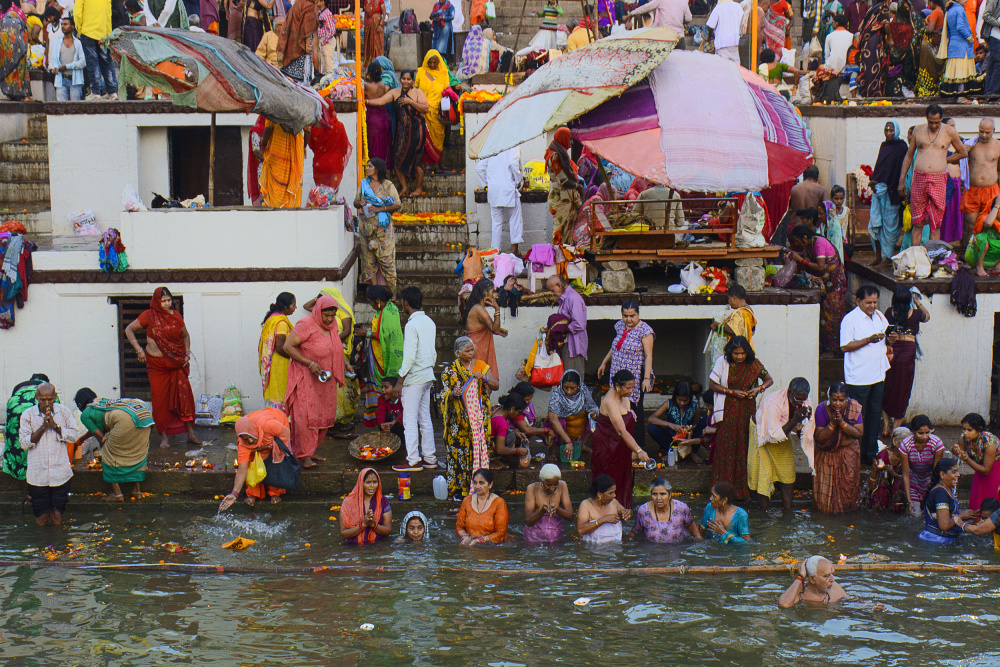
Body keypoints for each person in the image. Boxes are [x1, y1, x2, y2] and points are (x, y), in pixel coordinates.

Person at [125, 287, 199, 449]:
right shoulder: (149, 315)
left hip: (176, 364)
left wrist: (186, 354)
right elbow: (129, 329)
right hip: (157, 366)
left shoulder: (176, 316)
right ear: (156, 301)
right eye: (163, 301)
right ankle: (164, 437)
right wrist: (139, 349)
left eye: (169, 300)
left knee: (184, 398)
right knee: (160, 401)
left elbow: (185, 336)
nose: (166, 304)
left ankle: (190, 434)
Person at [283, 295, 345, 468]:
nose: (330, 319)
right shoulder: (306, 324)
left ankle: (311, 449)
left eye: (333, 316)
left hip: (324, 382)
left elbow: (335, 349)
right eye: (326, 315)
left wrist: (344, 364)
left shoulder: (332, 327)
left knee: (322, 416)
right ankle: (303, 454)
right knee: (305, 417)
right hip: (305, 378)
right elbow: (287, 347)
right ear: (318, 311)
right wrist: (309, 363)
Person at [709, 336, 772, 499]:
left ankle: (744, 490)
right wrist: (731, 392)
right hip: (728, 408)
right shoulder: (722, 362)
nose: (739, 357)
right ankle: (722, 490)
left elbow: (768, 379)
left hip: (747, 408)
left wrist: (759, 389)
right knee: (726, 445)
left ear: (747, 352)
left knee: (745, 444)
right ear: (730, 352)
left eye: (742, 353)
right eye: (736, 353)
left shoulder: (754, 363)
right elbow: (712, 384)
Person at [898, 104, 968, 246]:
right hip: (919, 179)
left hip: (939, 179)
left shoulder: (949, 132)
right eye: (931, 122)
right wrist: (901, 180)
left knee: (936, 223)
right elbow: (908, 156)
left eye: (937, 122)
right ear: (926, 119)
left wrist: (943, 160)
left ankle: (932, 261)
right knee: (917, 222)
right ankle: (916, 260)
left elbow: (963, 152)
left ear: (941, 119)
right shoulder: (918, 130)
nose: (934, 125)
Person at [439, 336, 498, 499]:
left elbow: (495, 384)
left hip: (478, 419)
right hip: (458, 422)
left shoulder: (481, 365)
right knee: (458, 453)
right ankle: (459, 489)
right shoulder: (450, 370)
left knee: (477, 451)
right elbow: (443, 394)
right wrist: (452, 394)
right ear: (458, 353)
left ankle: (480, 487)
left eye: (472, 350)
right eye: (467, 351)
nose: (471, 353)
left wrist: (483, 377)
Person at [840, 285, 892, 466]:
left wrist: (889, 340)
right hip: (858, 377)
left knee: (873, 415)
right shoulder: (850, 319)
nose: (872, 306)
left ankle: (869, 453)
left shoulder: (879, 316)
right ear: (858, 301)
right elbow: (844, 346)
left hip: (878, 375)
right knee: (855, 418)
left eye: (875, 302)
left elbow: (885, 334)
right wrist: (868, 340)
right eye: (869, 302)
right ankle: (852, 453)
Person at [74, 389, 153, 502]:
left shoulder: (86, 413)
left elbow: (101, 438)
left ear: (79, 404)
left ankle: (117, 494)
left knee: (106, 452)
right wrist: (80, 440)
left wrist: (105, 451)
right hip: (144, 415)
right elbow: (93, 430)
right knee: (136, 452)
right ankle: (137, 491)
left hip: (124, 419)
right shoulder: (102, 402)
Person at [18, 383, 80, 526]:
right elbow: (23, 443)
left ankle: (58, 545)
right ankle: (42, 545)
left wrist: (55, 426)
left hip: (61, 474)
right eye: (42, 399)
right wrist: (44, 427)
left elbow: (75, 436)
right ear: (36, 398)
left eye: (50, 399)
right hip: (37, 476)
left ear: (55, 397)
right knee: (42, 516)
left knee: (57, 515)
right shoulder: (28, 415)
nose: (47, 403)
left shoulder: (63, 412)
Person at [391, 286, 438, 473]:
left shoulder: (411, 325)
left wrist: (400, 381)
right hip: (427, 375)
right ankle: (430, 458)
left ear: (406, 303)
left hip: (415, 378)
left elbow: (409, 356)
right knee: (424, 417)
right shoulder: (429, 322)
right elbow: (432, 353)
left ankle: (412, 460)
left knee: (410, 419)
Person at [596, 300, 654, 450]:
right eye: (625, 316)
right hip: (617, 374)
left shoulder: (645, 331)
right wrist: (604, 362)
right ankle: (617, 443)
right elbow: (614, 346)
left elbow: (648, 356)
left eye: (632, 316)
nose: (629, 319)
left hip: (634, 376)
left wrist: (646, 378)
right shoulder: (619, 325)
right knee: (616, 407)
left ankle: (637, 448)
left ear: (638, 314)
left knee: (634, 411)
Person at [749, 377, 814, 511]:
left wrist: (804, 419)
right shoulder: (774, 403)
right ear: (789, 393)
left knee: (787, 473)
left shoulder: (805, 402)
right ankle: (764, 513)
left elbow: (803, 429)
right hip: (762, 434)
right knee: (764, 473)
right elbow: (772, 435)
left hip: (783, 435)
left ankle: (788, 512)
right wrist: (795, 418)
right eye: (798, 399)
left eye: (804, 398)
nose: (802, 401)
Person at [591, 369, 651, 511]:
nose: (631, 391)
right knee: (609, 482)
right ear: (617, 386)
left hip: (621, 447)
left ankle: (622, 511)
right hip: (607, 446)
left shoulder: (624, 398)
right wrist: (638, 450)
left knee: (623, 478)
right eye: (628, 388)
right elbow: (621, 430)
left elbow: (626, 423)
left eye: (632, 387)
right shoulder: (610, 402)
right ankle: (604, 512)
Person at [366, 70, 430, 196]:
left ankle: (418, 188)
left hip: (417, 130)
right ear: (400, 80)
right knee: (396, 160)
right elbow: (380, 101)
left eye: (408, 79)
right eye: (403, 79)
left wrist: (410, 102)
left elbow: (426, 108)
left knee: (418, 159)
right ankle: (404, 187)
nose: (406, 81)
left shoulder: (417, 92)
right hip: (402, 132)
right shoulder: (395, 93)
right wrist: (365, 102)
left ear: (412, 80)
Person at [787, 224, 848, 353]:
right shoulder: (809, 244)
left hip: (835, 284)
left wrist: (801, 260)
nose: (797, 243)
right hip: (827, 284)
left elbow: (820, 267)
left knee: (832, 317)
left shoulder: (819, 243)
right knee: (824, 317)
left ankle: (834, 350)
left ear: (804, 237)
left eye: (798, 241)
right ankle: (826, 347)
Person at [218, 407, 292, 509]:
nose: (250, 442)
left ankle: (275, 493)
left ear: (254, 431)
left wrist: (271, 446)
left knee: (275, 460)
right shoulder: (243, 444)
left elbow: (286, 433)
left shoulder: (268, 425)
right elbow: (242, 469)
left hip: (277, 423)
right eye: (245, 439)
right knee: (251, 463)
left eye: (250, 437)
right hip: (262, 433)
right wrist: (234, 494)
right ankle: (253, 493)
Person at [810, 381, 863, 513]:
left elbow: (858, 434)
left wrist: (842, 424)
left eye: (842, 400)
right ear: (829, 398)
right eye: (834, 400)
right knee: (825, 497)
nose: (837, 404)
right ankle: (825, 519)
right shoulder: (822, 409)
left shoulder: (854, 407)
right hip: (827, 454)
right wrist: (833, 424)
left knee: (848, 489)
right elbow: (819, 438)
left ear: (847, 399)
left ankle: (847, 516)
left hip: (848, 452)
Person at [882, 286, 929, 428]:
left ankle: (885, 426)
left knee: (888, 387)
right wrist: (917, 301)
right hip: (908, 351)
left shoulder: (889, 312)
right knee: (903, 389)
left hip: (892, 351)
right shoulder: (915, 314)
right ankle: (896, 427)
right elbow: (927, 316)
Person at [355, 159, 402, 294]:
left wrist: (379, 209)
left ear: (377, 169)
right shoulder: (364, 184)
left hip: (383, 230)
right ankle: (375, 292)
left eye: (370, 166)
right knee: (368, 261)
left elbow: (397, 204)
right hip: (366, 229)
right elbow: (355, 202)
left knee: (386, 260)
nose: (367, 168)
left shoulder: (387, 185)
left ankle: (392, 293)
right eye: (367, 166)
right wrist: (360, 202)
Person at [360, 285, 402, 427]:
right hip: (378, 354)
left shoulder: (388, 313)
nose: (370, 305)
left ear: (378, 300)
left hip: (386, 359)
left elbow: (385, 337)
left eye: (371, 302)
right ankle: (381, 421)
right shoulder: (387, 309)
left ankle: (386, 422)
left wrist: (365, 333)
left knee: (384, 390)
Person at [868, 121, 908, 267]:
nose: (889, 133)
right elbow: (880, 166)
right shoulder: (884, 146)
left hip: (893, 192)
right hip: (879, 191)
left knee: (890, 228)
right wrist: (874, 181)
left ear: (896, 131)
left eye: (891, 130)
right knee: (875, 223)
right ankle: (878, 256)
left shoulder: (902, 147)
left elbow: (900, 169)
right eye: (886, 130)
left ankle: (888, 258)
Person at [3, 373, 50, 481]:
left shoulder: (20, 386)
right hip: (36, 408)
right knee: (40, 440)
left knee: (17, 440)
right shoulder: (47, 388)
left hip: (16, 408)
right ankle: (37, 480)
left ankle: (20, 472)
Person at [476, 147, 524, 255]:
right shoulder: (513, 145)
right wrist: (517, 181)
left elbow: (479, 168)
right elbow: (513, 163)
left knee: (496, 223)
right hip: (509, 187)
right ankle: (514, 249)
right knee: (515, 218)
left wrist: (486, 184)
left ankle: (495, 251)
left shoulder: (491, 145)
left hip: (494, 190)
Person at [961, 119, 1000, 243]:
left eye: (987, 132)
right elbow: (955, 160)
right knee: (971, 224)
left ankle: (989, 257)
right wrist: (962, 151)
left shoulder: (998, 145)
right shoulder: (970, 144)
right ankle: (969, 257)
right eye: (981, 131)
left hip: (991, 190)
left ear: (993, 131)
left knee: (992, 223)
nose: (983, 135)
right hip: (973, 189)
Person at [546, 370, 598, 463]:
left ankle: (582, 445)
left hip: (579, 424)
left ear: (578, 386)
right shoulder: (557, 394)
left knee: (592, 421)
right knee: (557, 422)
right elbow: (553, 419)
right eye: (566, 387)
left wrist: (593, 413)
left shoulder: (583, 390)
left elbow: (592, 407)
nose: (569, 391)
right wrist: (568, 441)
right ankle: (553, 450)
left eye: (572, 388)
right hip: (564, 425)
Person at [952, 412, 1000, 510]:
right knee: (976, 499)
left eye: (969, 430)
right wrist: (954, 450)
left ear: (979, 430)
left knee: (991, 499)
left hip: (994, 469)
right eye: (964, 429)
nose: (965, 433)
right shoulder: (964, 438)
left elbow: (986, 470)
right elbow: (959, 454)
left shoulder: (989, 442)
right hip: (979, 467)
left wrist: (967, 459)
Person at [900, 414, 945, 516]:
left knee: (930, 515)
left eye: (927, 433)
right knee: (915, 516)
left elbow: (936, 472)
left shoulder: (936, 443)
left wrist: (931, 494)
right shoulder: (906, 445)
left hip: (930, 480)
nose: (925, 436)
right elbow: (906, 474)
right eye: (920, 433)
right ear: (913, 432)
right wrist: (909, 500)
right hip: (913, 481)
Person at [463, 278, 506, 383]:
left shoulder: (475, 307)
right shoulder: (479, 309)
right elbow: (494, 329)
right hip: (478, 349)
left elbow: (491, 328)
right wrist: (497, 309)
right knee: (480, 383)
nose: (493, 295)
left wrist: (498, 330)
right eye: (492, 292)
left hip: (476, 347)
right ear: (486, 293)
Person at [258, 292, 296, 411]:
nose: (295, 308)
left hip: (272, 364)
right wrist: (296, 357)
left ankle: (274, 421)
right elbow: (281, 347)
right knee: (280, 393)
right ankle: (281, 423)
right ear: (286, 307)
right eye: (293, 305)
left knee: (274, 392)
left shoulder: (271, 319)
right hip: (280, 365)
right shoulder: (281, 323)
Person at [631, 478, 701, 543]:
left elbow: (693, 527)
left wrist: (701, 542)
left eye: (663, 494)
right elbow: (635, 532)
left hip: (678, 549)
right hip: (652, 551)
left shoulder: (681, 508)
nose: (658, 498)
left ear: (670, 495)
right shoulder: (643, 511)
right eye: (655, 494)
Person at [546, 127, 583, 246]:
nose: (571, 143)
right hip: (560, 198)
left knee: (567, 231)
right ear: (563, 139)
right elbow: (563, 180)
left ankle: (565, 258)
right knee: (560, 230)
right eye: (569, 139)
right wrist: (577, 187)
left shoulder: (562, 154)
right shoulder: (555, 156)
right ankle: (557, 259)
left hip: (566, 198)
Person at [414, 50, 451, 166]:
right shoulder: (421, 72)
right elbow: (415, 89)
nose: (432, 65)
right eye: (430, 62)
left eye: (435, 63)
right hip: (422, 110)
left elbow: (447, 90)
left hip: (437, 112)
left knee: (439, 137)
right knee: (424, 138)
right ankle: (426, 164)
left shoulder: (444, 74)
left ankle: (438, 163)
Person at [546, 274, 588, 377]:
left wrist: (561, 329)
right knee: (565, 380)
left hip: (573, 347)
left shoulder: (573, 298)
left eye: (553, 290)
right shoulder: (564, 298)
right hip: (566, 345)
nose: (552, 294)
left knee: (573, 381)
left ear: (559, 285)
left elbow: (579, 324)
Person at [647, 381, 700, 461]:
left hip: (688, 438)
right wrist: (670, 425)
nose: (682, 403)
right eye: (679, 400)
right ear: (675, 397)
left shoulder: (695, 406)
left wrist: (692, 428)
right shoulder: (669, 403)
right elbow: (651, 418)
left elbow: (696, 423)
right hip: (672, 436)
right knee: (652, 428)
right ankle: (671, 451)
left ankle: (692, 452)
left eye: (685, 400)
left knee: (702, 426)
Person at [260, 120, 308, 208]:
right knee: (294, 179)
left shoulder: (274, 106)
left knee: (275, 185)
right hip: (295, 152)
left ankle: (276, 215)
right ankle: (292, 213)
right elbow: (308, 130)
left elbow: (269, 128)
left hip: (277, 150)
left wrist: (263, 146)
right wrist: (304, 146)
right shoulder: (300, 106)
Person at [919, 457, 967, 542]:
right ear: (942, 475)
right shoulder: (940, 493)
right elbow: (944, 525)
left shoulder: (946, 489)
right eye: (954, 472)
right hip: (936, 541)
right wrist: (962, 515)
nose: (958, 475)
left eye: (957, 471)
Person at [456, 468, 510, 544]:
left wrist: (478, 540)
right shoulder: (467, 501)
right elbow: (459, 526)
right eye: (475, 483)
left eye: (481, 483)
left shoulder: (499, 503)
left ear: (490, 484)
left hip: (492, 548)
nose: (477, 486)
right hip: (470, 544)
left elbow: (500, 533)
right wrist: (465, 537)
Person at [76, 0, 118, 98]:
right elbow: (108, 15)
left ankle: (96, 92)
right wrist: (108, 34)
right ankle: (112, 92)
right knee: (105, 63)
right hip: (102, 34)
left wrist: (79, 28)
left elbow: (77, 11)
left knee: (92, 63)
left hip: (87, 32)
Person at [308, 99, 352, 191]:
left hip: (319, 166)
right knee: (331, 200)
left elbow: (312, 146)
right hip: (334, 167)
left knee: (319, 199)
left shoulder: (314, 127)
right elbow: (344, 148)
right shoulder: (339, 126)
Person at [341, 468, 393, 544]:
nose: (372, 486)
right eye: (368, 482)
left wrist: (374, 525)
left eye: (375, 482)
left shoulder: (383, 501)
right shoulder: (348, 502)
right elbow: (344, 534)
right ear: (361, 484)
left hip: (377, 545)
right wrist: (363, 525)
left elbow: (387, 530)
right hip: (354, 547)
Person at [939, 0, 979, 97]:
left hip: (953, 45)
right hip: (962, 46)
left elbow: (949, 31)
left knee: (955, 72)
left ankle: (956, 97)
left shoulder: (950, 10)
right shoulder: (960, 9)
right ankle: (961, 97)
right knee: (962, 73)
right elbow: (960, 27)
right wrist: (969, 38)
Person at [524, 464, 573, 543]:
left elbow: (570, 516)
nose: (552, 488)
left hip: (557, 535)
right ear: (541, 481)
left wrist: (557, 509)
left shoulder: (562, 485)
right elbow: (528, 520)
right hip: (534, 537)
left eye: (555, 484)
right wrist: (541, 511)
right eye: (548, 485)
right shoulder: (532, 488)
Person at [865, 426, 910, 511]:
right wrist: (875, 470)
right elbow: (872, 482)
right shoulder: (884, 455)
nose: (909, 445)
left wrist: (894, 474)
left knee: (899, 485)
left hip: (899, 488)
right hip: (884, 489)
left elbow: (909, 476)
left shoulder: (910, 456)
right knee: (882, 486)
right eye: (905, 441)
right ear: (895, 441)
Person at [852, 0, 892, 97]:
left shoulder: (871, 9)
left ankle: (867, 94)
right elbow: (886, 25)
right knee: (875, 67)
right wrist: (890, 39)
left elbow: (860, 27)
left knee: (868, 67)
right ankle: (876, 94)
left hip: (866, 43)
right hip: (875, 42)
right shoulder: (884, 8)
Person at [577, 474, 631, 544]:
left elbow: (624, 513)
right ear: (599, 494)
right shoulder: (586, 504)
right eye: (611, 493)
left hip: (615, 548)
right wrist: (603, 520)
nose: (614, 495)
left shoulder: (614, 502)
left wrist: (629, 512)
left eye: (614, 492)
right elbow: (580, 530)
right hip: (593, 550)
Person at [778, 555, 848, 608]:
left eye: (832, 574)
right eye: (826, 576)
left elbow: (851, 600)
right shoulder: (799, 593)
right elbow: (784, 604)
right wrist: (801, 576)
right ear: (812, 579)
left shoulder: (834, 588)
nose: (833, 580)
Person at [277, 0, 317, 84]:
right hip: (302, 47)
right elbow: (307, 28)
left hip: (293, 43)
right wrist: (307, 45)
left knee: (290, 75)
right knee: (301, 78)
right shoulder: (308, 6)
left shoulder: (298, 3)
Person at [363, 62, 393, 170]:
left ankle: (375, 172)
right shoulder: (382, 85)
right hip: (385, 118)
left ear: (369, 73)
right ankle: (384, 171)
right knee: (384, 148)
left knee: (374, 148)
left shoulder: (366, 86)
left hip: (373, 119)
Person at [490, 393, 531, 468]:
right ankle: (492, 459)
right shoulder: (501, 422)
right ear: (512, 409)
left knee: (511, 433)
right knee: (510, 436)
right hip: (487, 446)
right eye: (519, 412)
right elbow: (500, 449)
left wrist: (516, 432)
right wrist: (518, 450)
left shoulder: (497, 408)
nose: (519, 415)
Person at [49, 16, 84, 101]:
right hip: (61, 80)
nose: (63, 26)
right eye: (62, 24)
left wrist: (67, 67)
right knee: (61, 108)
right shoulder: (57, 43)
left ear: (72, 26)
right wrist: (55, 68)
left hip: (75, 80)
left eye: (66, 24)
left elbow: (83, 62)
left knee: (75, 108)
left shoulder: (78, 43)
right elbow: (54, 60)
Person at [712, 283, 756, 351]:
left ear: (734, 298)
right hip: (746, 346)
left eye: (729, 299)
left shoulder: (741, 312)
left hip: (738, 349)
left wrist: (717, 324)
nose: (729, 302)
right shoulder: (749, 310)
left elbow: (733, 330)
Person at [966, 194, 1000, 276]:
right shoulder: (985, 216)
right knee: (982, 238)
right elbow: (988, 223)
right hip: (974, 256)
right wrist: (997, 205)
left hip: (992, 259)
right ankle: (979, 268)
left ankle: (997, 267)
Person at [375, 376, 404, 441]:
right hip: (390, 426)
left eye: (386, 387)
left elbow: (406, 413)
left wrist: (395, 421)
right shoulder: (381, 399)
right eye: (382, 387)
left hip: (401, 427)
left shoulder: (403, 399)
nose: (382, 390)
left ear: (395, 388)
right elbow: (380, 412)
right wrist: (382, 424)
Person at [984, 0, 1000, 95]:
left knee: (992, 64)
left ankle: (989, 93)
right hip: (994, 36)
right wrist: (998, 24)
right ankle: (993, 91)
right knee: (998, 63)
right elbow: (986, 15)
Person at [362, 0, 384, 65]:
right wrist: (365, 27)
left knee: (378, 45)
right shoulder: (366, 1)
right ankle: (370, 65)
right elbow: (365, 15)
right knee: (369, 46)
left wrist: (380, 24)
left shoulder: (380, 1)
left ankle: (379, 64)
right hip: (368, 26)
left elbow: (384, 13)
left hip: (377, 26)